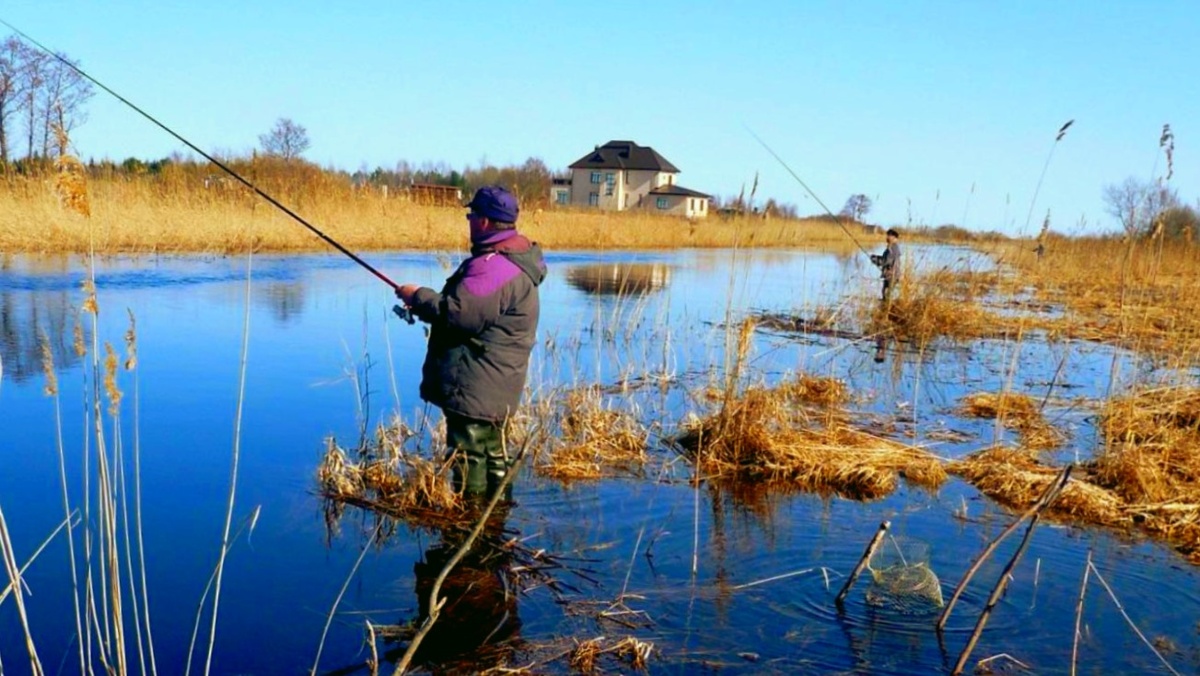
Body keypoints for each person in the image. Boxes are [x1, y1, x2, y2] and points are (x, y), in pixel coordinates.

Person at [396, 185, 546, 495]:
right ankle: (494, 519)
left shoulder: (493, 267)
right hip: (496, 380)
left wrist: (418, 296)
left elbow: (458, 315)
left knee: (469, 455)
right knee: (491, 453)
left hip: (476, 382)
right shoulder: (515, 261)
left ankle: (470, 521)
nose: (469, 220)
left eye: (472, 214)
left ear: (486, 222)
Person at [869, 228, 901, 302]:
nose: (887, 238)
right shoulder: (893, 247)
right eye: (887, 235)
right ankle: (884, 309)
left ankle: (887, 309)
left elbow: (886, 261)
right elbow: (886, 259)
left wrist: (875, 260)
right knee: (885, 293)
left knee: (887, 294)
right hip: (891, 275)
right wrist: (876, 257)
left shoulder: (892, 248)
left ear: (894, 237)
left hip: (892, 275)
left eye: (888, 236)